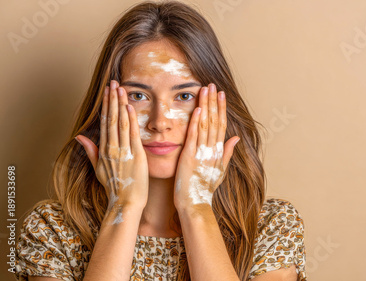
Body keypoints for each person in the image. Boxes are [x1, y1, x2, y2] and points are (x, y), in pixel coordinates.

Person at [14, 1, 307, 280]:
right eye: (138, 96)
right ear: (106, 109)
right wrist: (123, 205)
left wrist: (196, 207)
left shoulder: (271, 226)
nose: (159, 122)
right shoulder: (51, 228)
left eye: (184, 96)